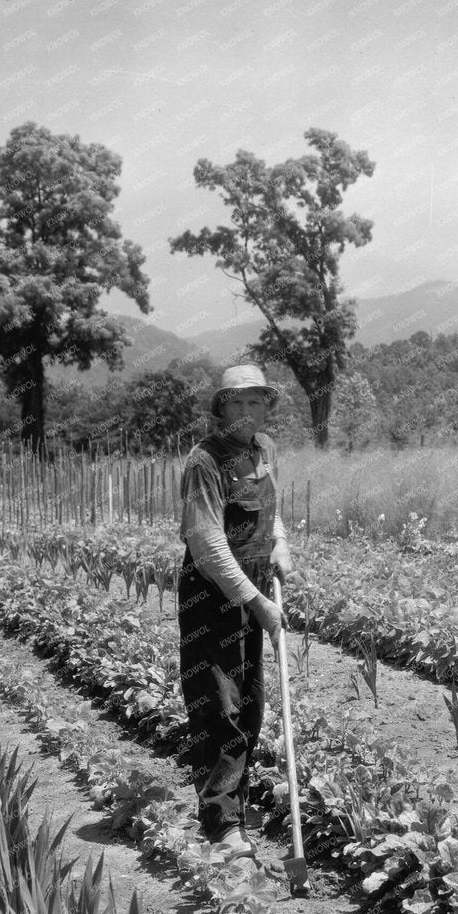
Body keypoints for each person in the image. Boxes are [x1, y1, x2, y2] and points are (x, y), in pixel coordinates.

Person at [177, 364, 298, 863]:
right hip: (214, 593)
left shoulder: (264, 448)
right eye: (237, 402)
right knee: (219, 707)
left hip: (253, 585)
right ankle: (221, 824)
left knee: (251, 705)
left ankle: (235, 807)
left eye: (256, 402)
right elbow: (205, 543)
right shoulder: (204, 461)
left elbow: (270, 509)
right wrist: (257, 602)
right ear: (221, 407)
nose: (246, 412)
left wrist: (281, 545)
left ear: (266, 406)